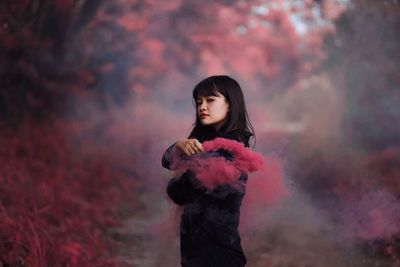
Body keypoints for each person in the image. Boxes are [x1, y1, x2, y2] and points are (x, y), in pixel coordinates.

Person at [161, 75, 255, 267]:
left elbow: (180, 193)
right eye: (199, 102)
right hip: (197, 243)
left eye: (210, 100)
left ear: (230, 104)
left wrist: (172, 183)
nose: (202, 106)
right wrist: (178, 146)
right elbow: (168, 162)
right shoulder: (208, 140)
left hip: (216, 251)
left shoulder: (228, 149)